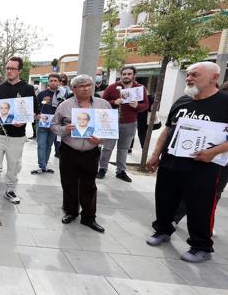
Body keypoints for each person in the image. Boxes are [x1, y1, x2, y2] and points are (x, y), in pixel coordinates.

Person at [146, 62, 228, 263]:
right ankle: (163, 230)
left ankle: (201, 246)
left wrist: (213, 152)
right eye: (188, 74)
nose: (189, 78)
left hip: (204, 168)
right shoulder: (182, 101)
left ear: (214, 77)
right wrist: (155, 154)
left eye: (195, 75)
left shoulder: (224, 103)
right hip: (171, 163)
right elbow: (167, 130)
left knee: (200, 207)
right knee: (164, 200)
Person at [51, 74, 110, 233]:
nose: (85, 88)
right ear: (74, 89)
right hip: (69, 150)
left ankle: (89, 217)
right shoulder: (65, 105)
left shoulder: (103, 105)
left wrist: (101, 140)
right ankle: (71, 212)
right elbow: (53, 126)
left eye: (88, 85)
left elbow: (110, 128)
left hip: (91, 151)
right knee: (68, 182)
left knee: (89, 185)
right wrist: (64, 130)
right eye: (81, 86)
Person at [0, 57, 38, 204]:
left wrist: (23, 121)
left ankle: (10, 190)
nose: (9, 71)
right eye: (8, 68)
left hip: (17, 136)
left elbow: (35, 112)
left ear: (19, 70)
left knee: (14, 165)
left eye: (13, 68)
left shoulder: (28, 89)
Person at [97, 66, 150, 182]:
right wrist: (113, 102)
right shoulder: (112, 87)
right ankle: (102, 168)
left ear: (134, 75)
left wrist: (137, 106)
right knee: (107, 147)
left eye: (129, 74)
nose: (126, 76)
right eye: (124, 74)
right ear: (121, 75)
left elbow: (146, 105)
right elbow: (102, 103)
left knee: (124, 149)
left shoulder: (139, 88)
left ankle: (121, 171)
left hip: (130, 123)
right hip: (111, 123)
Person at [32, 73, 61, 174]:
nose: (53, 82)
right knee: (41, 144)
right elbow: (35, 106)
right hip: (43, 123)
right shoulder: (41, 94)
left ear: (59, 82)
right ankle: (41, 165)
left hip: (55, 124)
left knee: (49, 145)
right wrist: (37, 114)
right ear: (48, 82)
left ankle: (45, 164)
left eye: (55, 80)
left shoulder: (61, 95)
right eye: (51, 80)